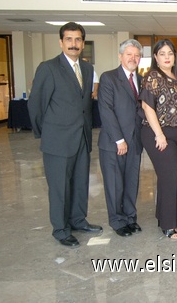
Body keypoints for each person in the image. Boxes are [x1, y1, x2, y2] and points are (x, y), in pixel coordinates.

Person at [28, 22, 102, 248]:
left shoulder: (87, 69)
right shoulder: (48, 68)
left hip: (81, 137)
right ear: (61, 42)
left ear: (83, 43)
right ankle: (60, 229)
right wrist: (46, 134)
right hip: (57, 141)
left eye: (78, 39)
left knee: (80, 183)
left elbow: (85, 104)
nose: (73, 44)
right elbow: (36, 105)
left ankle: (78, 220)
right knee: (60, 187)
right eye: (69, 39)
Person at [140, 39, 177, 239]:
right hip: (158, 133)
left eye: (170, 53)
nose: (167, 57)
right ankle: (168, 225)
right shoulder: (152, 76)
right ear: (156, 58)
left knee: (170, 177)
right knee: (169, 176)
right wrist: (159, 134)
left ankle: (162, 214)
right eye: (162, 54)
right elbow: (147, 107)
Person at [98, 39, 143, 237]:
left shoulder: (140, 80)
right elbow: (106, 111)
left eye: (136, 55)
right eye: (129, 54)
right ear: (120, 56)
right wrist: (119, 139)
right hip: (114, 143)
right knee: (115, 184)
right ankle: (117, 221)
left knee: (131, 182)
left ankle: (130, 218)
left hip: (135, 141)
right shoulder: (109, 78)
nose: (133, 58)